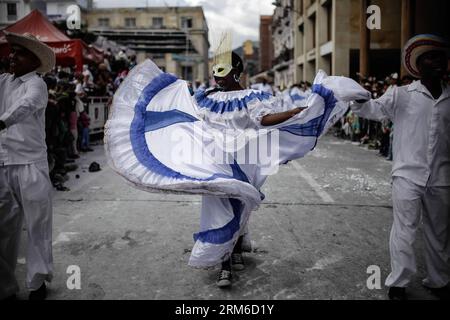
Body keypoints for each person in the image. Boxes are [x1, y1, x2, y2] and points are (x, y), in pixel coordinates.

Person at [105, 33, 369, 289]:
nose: (215, 75)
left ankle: (237, 245)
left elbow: (262, 120)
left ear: (236, 71)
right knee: (219, 208)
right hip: (216, 162)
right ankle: (225, 264)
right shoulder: (205, 97)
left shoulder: (253, 97)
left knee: (240, 204)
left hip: (245, 160)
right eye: (214, 70)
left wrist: (292, 113)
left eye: (221, 70)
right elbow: (193, 119)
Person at [351, 34, 450, 300]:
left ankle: (439, 279)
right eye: (430, 57)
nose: (437, 61)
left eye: (440, 56)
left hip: (442, 176)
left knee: (439, 232)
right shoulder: (402, 94)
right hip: (407, 174)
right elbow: (371, 110)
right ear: (418, 64)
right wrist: (359, 96)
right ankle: (399, 282)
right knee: (404, 229)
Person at [0, 31, 56, 300]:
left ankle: (37, 283)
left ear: (33, 60)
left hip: (31, 164)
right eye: (12, 51)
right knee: (4, 230)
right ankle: (5, 286)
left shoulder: (36, 84)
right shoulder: (3, 82)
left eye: (19, 53)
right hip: (4, 163)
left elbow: (25, 106)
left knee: (37, 227)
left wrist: (2, 121)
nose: (12, 56)